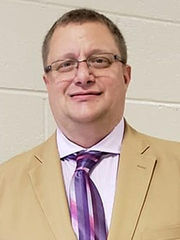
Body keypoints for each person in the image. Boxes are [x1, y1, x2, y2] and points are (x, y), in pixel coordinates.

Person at [0, 8, 180, 240]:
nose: (83, 75)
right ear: (48, 83)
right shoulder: (4, 184)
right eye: (66, 64)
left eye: (99, 60)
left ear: (125, 76)